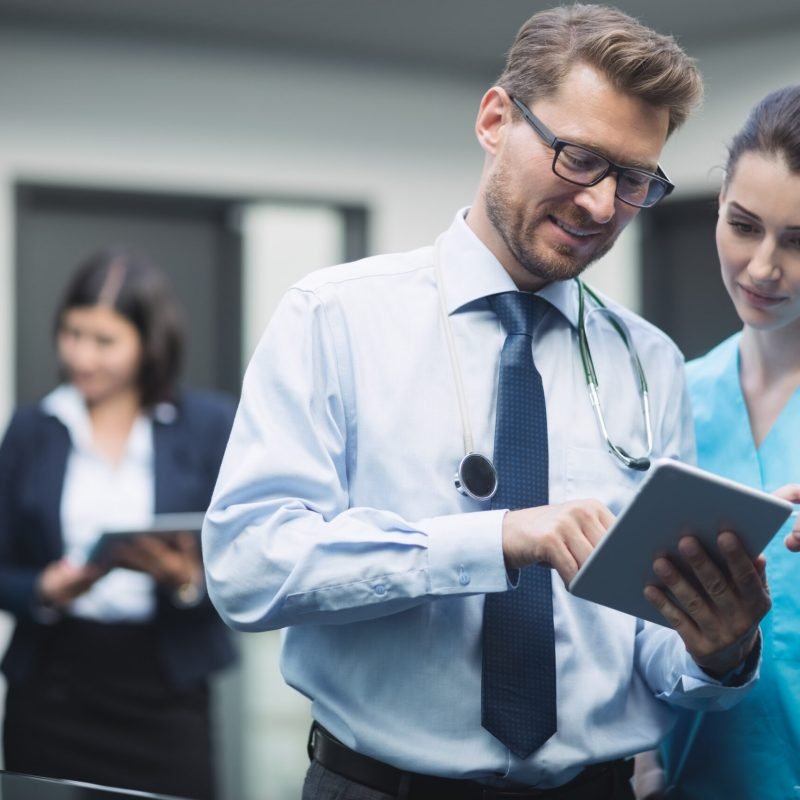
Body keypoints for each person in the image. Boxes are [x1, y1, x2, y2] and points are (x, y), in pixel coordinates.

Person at [203, 5, 772, 799]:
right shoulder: (336, 316)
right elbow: (248, 567)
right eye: (579, 159)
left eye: (634, 179)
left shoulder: (649, 364)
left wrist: (717, 650)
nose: (603, 207)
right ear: (496, 119)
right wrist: (493, 540)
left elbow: (649, 655)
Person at [0, 247, 237, 800]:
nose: (81, 355)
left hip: (165, 690)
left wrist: (185, 580)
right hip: (52, 688)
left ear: (148, 345)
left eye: (104, 341)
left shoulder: (207, 427)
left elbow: (244, 565)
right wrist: (44, 588)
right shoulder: (33, 430)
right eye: (72, 333)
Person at [632, 85, 800, 800]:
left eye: (798, 243)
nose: (762, 268)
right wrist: (639, 765)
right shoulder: (669, 396)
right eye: (744, 225)